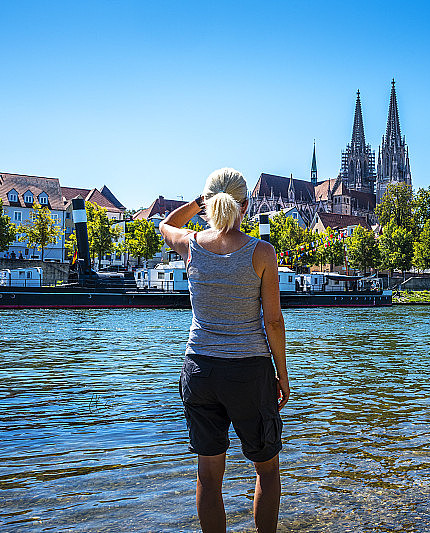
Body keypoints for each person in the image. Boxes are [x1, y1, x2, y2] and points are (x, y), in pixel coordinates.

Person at [159, 168, 289, 533]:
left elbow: (165, 224)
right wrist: (282, 375)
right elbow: (273, 321)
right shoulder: (262, 252)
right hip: (249, 371)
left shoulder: (191, 244)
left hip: (200, 370)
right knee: (267, 469)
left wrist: (197, 203)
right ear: (245, 206)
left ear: (207, 204)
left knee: (209, 474)